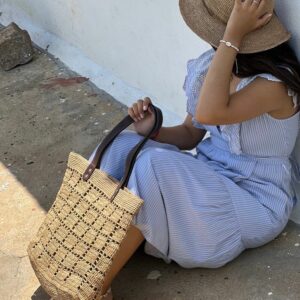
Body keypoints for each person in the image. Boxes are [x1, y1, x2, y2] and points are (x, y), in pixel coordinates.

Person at [90, 1, 300, 298]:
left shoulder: (273, 85)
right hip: (209, 181)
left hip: (253, 203)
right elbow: (190, 134)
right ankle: (89, 248)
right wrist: (152, 129)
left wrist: (232, 37)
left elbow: (212, 112)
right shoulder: (211, 67)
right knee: (121, 144)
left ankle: (93, 285)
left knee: (153, 165)